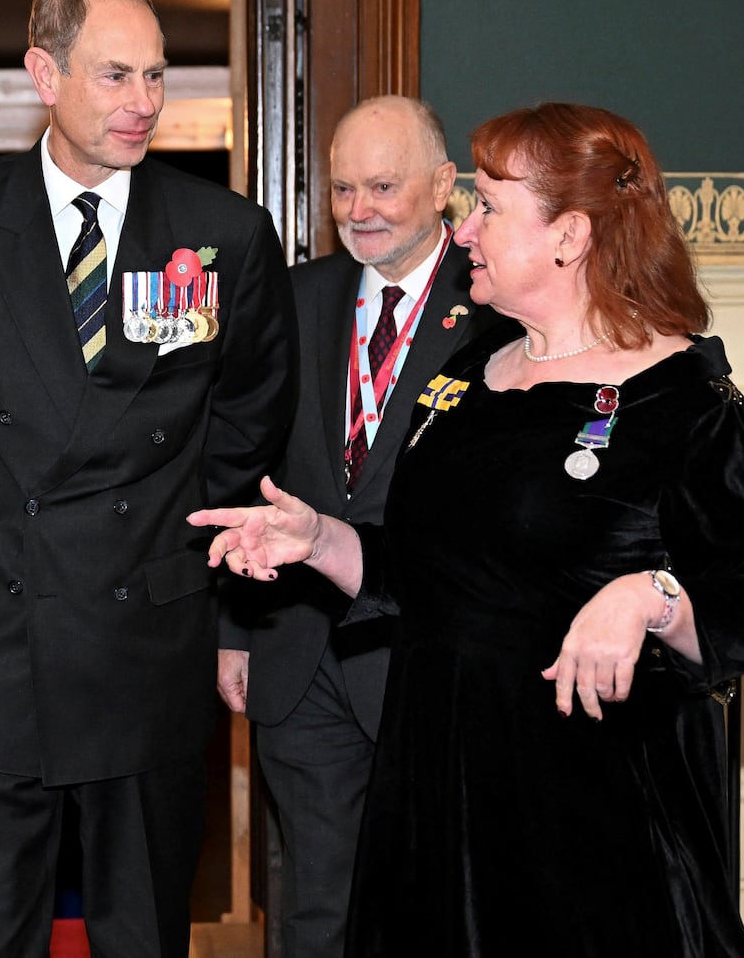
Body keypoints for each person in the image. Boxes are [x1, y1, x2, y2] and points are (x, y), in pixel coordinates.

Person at [191, 103, 744, 956]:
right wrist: (320, 539)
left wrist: (648, 596)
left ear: (569, 236)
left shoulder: (686, 400)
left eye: (489, 208)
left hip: (587, 816)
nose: (463, 228)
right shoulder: (471, 374)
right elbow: (430, 573)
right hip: (437, 789)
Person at [0, 0, 297, 958]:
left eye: (155, 75)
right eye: (114, 75)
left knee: (142, 929)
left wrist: (177, 557)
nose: (142, 102)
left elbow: (246, 421)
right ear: (42, 74)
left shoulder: (223, 234)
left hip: (144, 633)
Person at [216, 95, 509, 957]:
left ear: (444, 185)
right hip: (298, 650)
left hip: (431, 656)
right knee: (314, 906)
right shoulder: (291, 297)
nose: (360, 211)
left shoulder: (496, 307)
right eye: (343, 189)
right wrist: (235, 626)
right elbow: (247, 464)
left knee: (437, 902)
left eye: (382, 186)